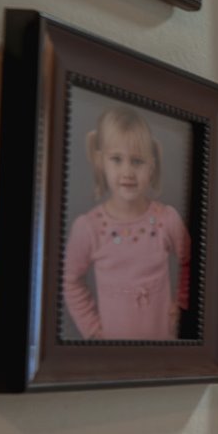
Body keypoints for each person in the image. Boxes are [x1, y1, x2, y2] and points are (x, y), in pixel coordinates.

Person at [62, 103, 191, 341]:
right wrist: (93, 329)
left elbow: (193, 262)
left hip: (163, 350)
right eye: (117, 159)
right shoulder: (89, 228)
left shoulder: (166, 220)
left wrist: (182, 306)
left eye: (137, 161)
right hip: (114, 358)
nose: (128, 172)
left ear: (151, 165)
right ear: (101, 162)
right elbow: (70, 280)